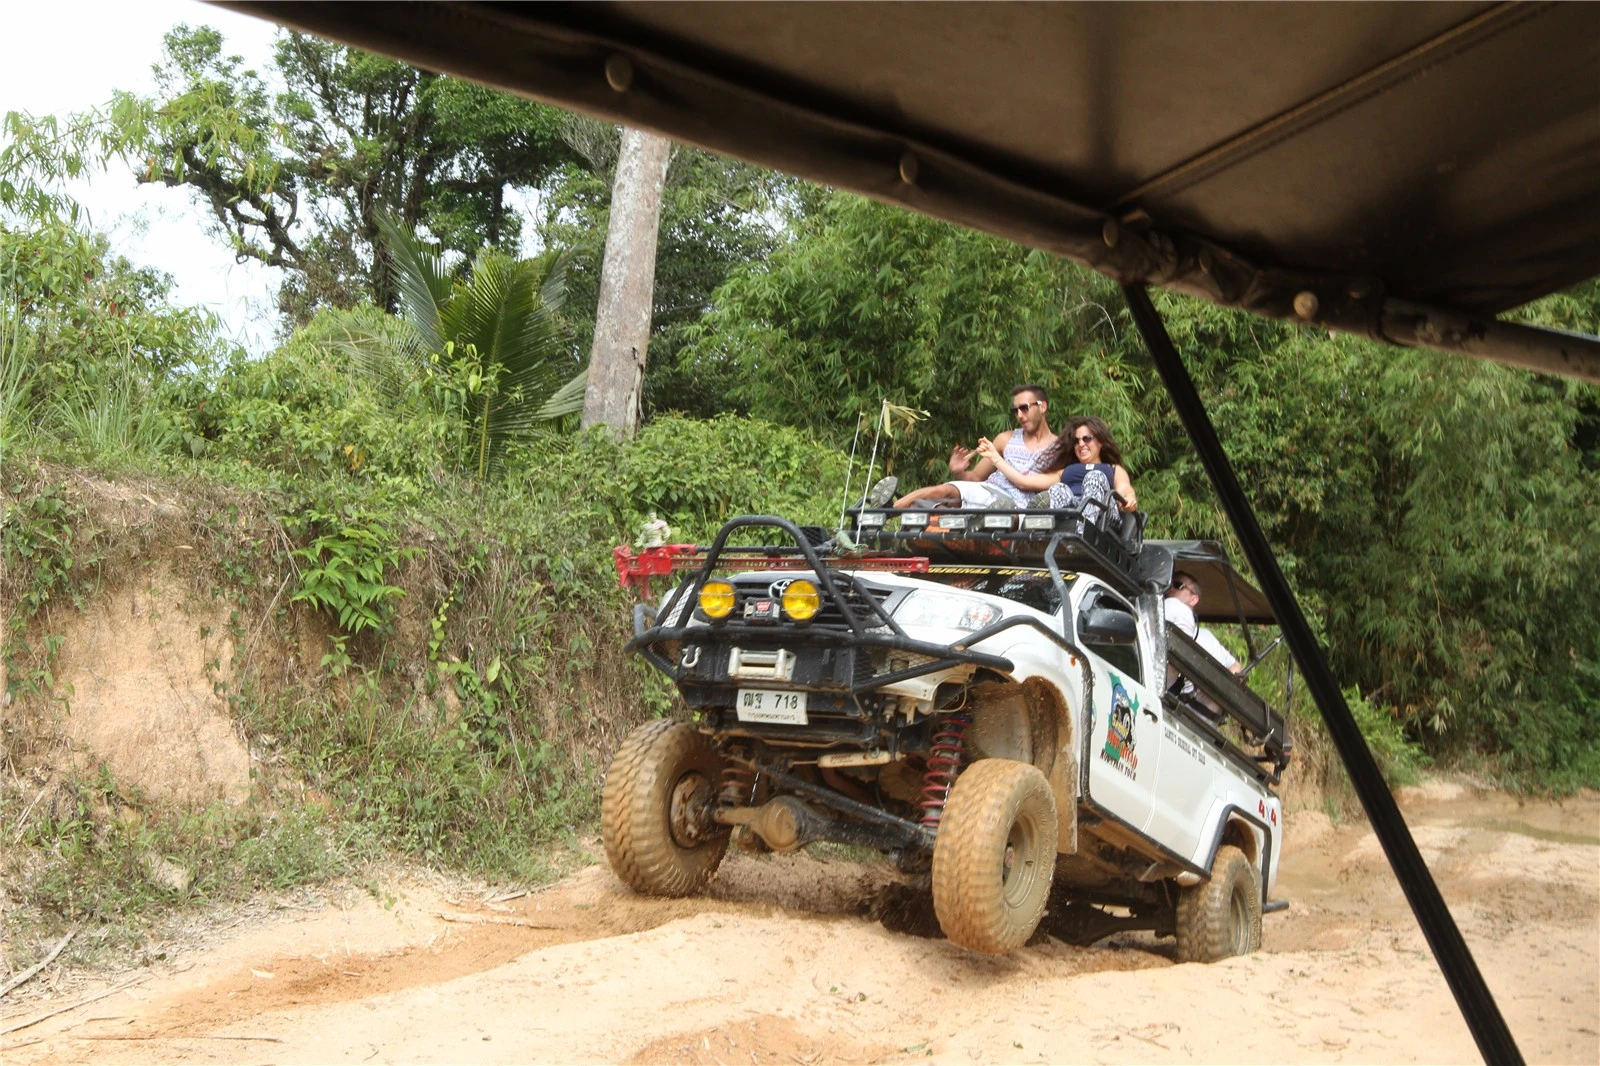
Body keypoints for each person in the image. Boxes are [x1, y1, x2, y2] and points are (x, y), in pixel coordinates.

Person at [885, 384, 1058, 509]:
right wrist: (960, 471)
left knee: (993, 510)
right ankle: (890, 509)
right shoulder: (1005, 439)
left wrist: (996, 459)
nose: (1019, 415)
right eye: (1015, 410)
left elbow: (1027, 484)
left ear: (1042, 407)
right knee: (945, 490)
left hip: (1016, 506)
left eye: (1024, 408)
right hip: (989, 491)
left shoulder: (1059, 448)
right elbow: (975, 478)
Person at [975, 415, 1137, 525]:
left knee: (1094, 476)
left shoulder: (1113, 469)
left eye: (1087, 439)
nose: (1081, 444)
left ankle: (1085, 528)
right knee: (1059, 489)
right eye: (1076, 440)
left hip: (1104, 516)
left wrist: (1129, 499)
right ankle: (1035, 520)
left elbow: (1125, 489)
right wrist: (996, 458)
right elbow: (1023, 482)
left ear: (1100, 442)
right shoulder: (1066, 472)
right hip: (1073, 511)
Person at [1164, 570, 1243, 674]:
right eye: (1169, 583)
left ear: (1193, 600)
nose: (1171, 588)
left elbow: (1235, 666)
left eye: (1178, 585)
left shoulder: (1206, 635)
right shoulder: (1161, 607)